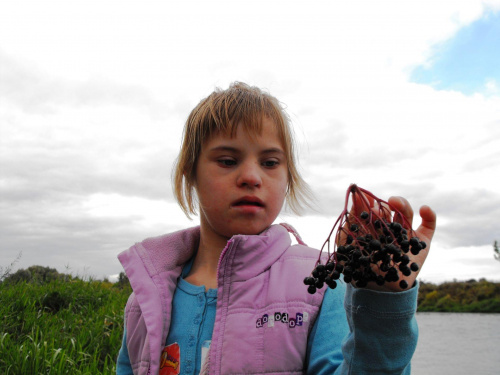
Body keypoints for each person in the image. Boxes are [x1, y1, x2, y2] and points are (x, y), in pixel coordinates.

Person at [116, 82, 437, 375]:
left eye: (270, 163)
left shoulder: (322, 283)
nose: (252, 177)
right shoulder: (149, 296)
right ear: (190, 174)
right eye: (228, 160)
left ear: (288, 178)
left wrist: (381, 305)